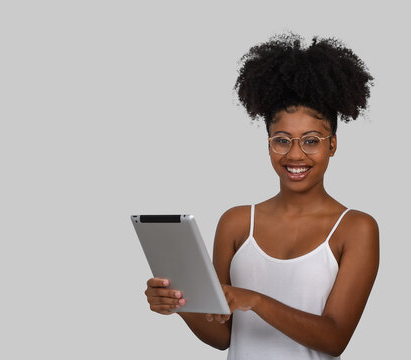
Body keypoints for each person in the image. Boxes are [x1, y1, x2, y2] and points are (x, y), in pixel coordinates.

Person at [144, 33, 379, 359]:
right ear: (268, 142)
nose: (295, 155)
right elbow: (223, 335)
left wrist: (255, 300)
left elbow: (335, 337)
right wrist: (181, 303)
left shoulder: (356, 228)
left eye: (311, 140)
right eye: (282, 140)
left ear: (332, 144)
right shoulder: (237, 222)